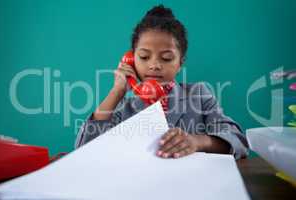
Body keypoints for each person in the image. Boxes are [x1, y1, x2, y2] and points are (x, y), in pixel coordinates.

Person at [75, 5, 248, 160]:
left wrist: (197, 141)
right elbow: (83, 151)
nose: (155, 65)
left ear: (180, 63)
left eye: (166, 58)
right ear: (131, 60)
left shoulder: (199, 94)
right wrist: (117, 92)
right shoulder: (123, 107)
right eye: (144, 57)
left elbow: (238, 140)